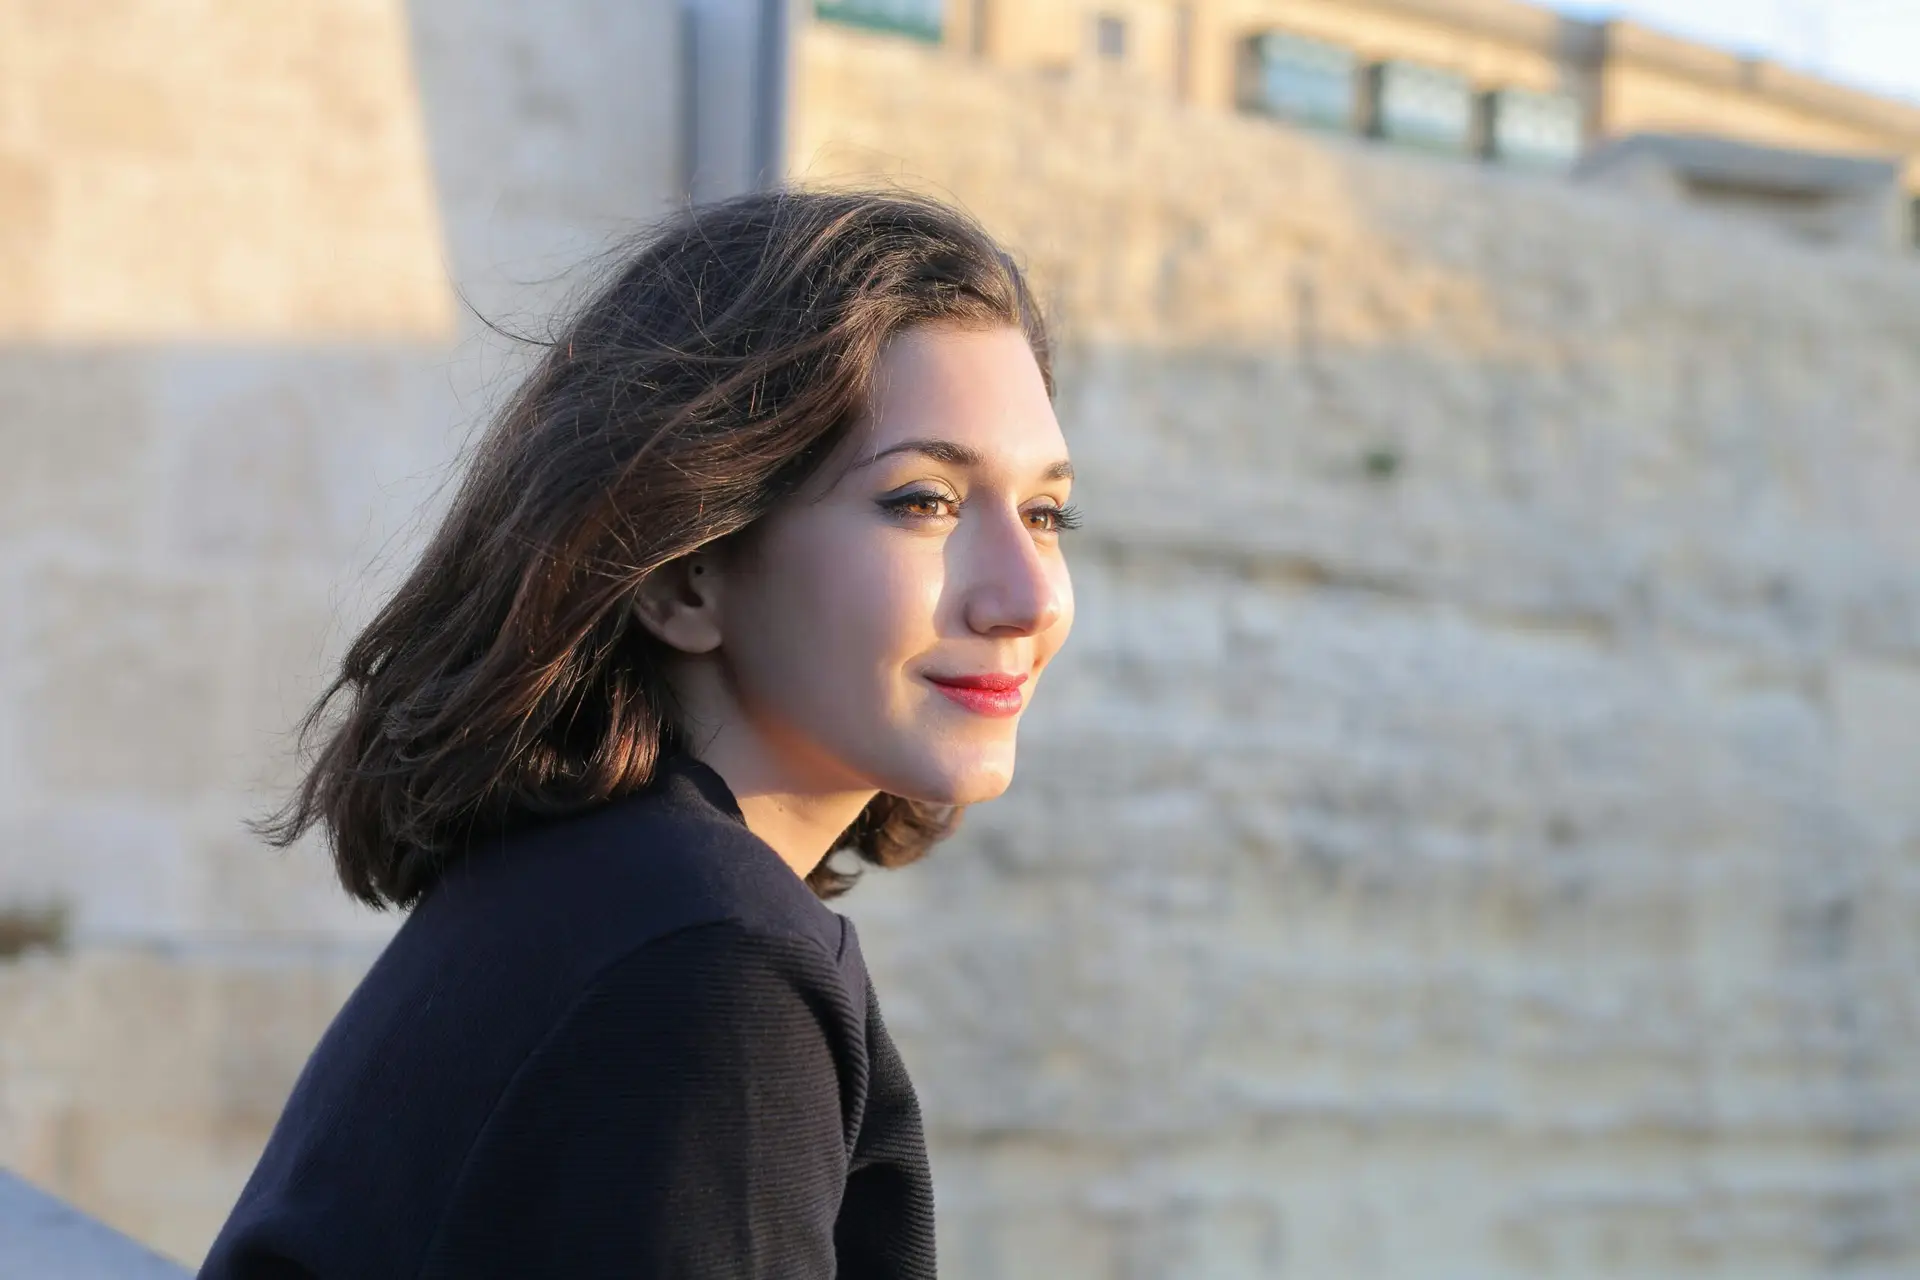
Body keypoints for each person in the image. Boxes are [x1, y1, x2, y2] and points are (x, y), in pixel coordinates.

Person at [195, 187, 1078, 1279]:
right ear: (685, 573)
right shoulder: (710, 966)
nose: (1028, 598)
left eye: (1045, 513)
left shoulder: (594, 884)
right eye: (923, 501)